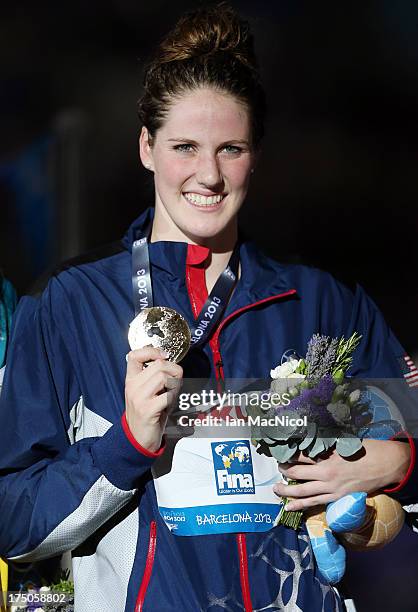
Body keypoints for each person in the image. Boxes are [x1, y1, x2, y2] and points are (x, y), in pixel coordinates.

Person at [0, 5, 416, 612]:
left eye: (231, 149)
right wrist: (129, 444)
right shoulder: (71, 301)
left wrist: (394, 462)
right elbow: (14, 525)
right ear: (146, 147)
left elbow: (403, 442)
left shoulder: (324, 303)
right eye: (185, 146)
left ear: (257, 155)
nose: (209, 175)